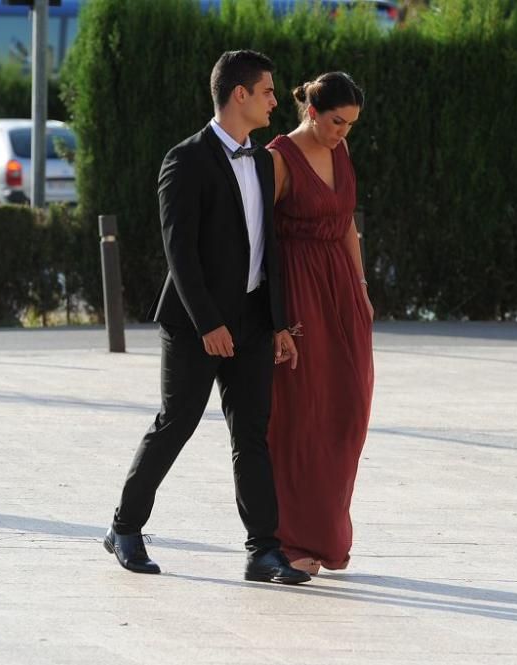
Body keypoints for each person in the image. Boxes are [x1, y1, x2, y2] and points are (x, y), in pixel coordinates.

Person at [104, 50, 310, 585]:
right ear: (239, 94)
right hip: (198, 322)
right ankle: (124, 528)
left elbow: (272, 250)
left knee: (253, 436)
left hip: (254, 320)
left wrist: (280, 322)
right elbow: (180, 253)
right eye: (266, 90)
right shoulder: (184, 160)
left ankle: (263, 551)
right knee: (178, 423)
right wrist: (207, 323)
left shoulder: (264, 160)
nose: (273, 99)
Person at [266, 72, 374, 575]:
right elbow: (259, 237)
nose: (342, 133)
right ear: (312, 109)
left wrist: (363, 289)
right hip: (299, 289)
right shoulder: (278, 157)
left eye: (350, 125)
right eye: (337, 121)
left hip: (342, 291)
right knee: (302, 416)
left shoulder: (342, 153)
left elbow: (348, 224)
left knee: (349, 410)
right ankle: (293, 541)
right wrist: (273, 314)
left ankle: (330, 531)